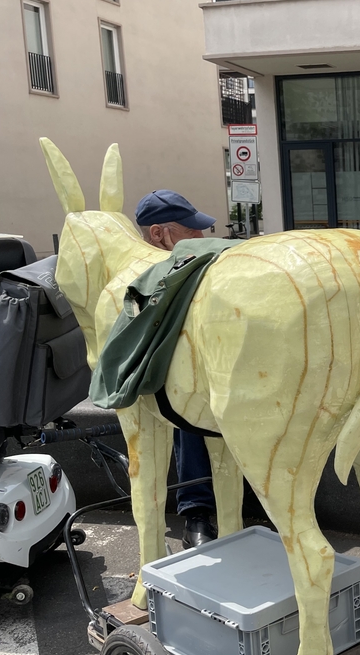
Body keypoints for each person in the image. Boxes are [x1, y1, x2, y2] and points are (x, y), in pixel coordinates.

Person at [135, 189, 218, 548]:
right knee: (189, 421)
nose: (200, 238)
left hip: (215, 364)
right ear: (158, 234)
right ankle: (196, 510)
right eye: (190, 231)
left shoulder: (199, 261)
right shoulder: (141, 276)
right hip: (172, 379)